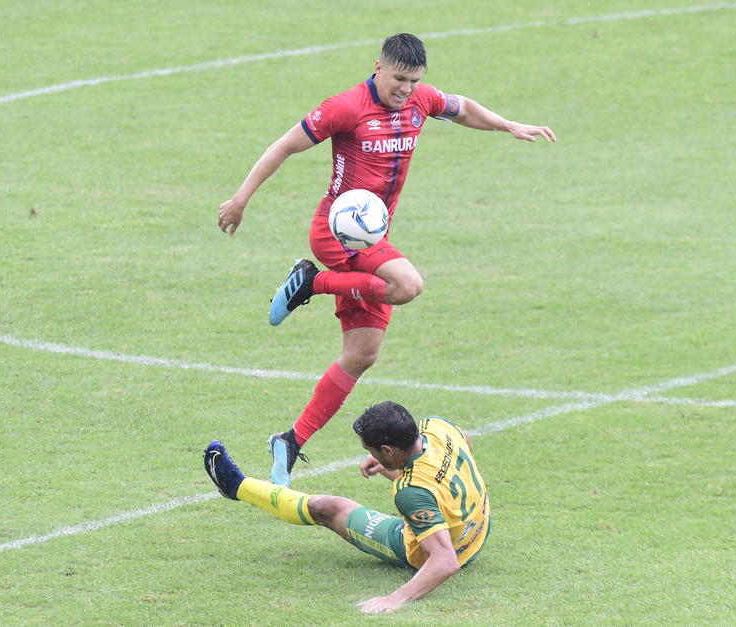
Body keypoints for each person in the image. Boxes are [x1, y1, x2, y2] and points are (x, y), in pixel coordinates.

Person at [217, 33, 555, 486]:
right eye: (398, 79)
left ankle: (290, 441)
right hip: (335, 234)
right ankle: (311, 282)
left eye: (413, 81)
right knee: (407, 285)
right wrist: (240, 199)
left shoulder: (420, 100)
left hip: (371, 239)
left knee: (362, 354)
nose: (405, 89)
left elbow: (463, 108)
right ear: (378, 67)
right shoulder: (346, 107)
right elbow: (284, 146)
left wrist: (508, 124)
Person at [203, 401, 490, 614]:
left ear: (388, 449)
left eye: (372, 450)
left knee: (327, 507)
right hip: (477, 529)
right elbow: (464, 446)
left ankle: (236, 487)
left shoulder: (411, 491)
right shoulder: (438, 427)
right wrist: (393, 466)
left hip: (448, 550)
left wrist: (395, 599)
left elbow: (445, 561)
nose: (370, 455)